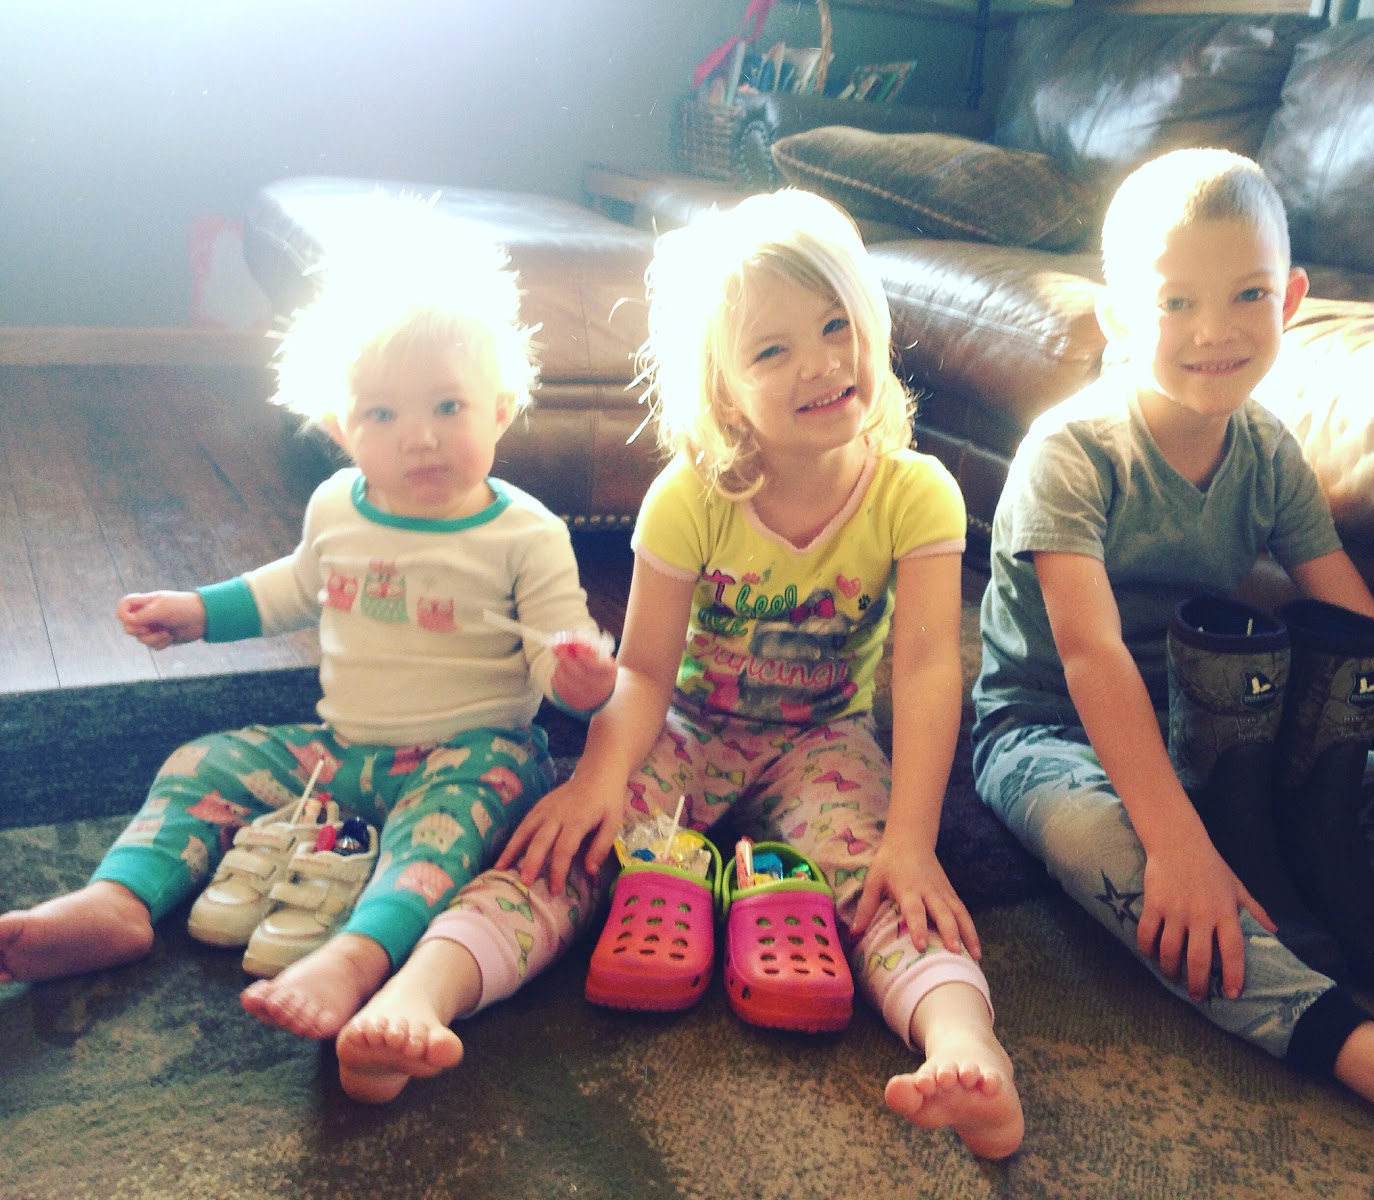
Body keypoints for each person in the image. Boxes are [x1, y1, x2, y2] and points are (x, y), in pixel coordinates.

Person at [334, 188, 1026, 1160]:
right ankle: (420, 995)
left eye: (836, 326)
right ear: (723, 389)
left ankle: (966, 1049)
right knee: (565, 849)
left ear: (872, 324)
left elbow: (923, 669)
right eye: (771, 350)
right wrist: (596, 780)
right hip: (689, 726)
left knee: (893, 887)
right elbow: (647, 669)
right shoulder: (690, 495)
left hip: (824, 744)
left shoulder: (918, 493)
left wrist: (912, 840)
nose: (820, 362)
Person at [970, 146, 1374, 1199]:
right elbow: (1087, 657)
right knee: (1117, 850)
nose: (1214, 331)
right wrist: (1179, 844)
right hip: (1049, 728)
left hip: (1221, 719)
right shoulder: (1070, 452)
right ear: (1118, 317)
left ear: (1292, 299)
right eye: (1176, 302)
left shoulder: (1266, 454)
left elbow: (1369, 635)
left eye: (1248, 295)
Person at [0, 197, 618, 1044]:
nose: (420, 438)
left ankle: (359, 956)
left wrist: (580, 679)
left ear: (501, 409)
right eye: (383, 415)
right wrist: (199, 612)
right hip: (341, 752)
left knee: (440, 836)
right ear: (340, 428)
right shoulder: (337, 504)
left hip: (473, 756)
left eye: (448, 407)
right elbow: (294, 585)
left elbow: (556, 647)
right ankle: (119, 900)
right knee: (200, 763)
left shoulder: (526, 533)